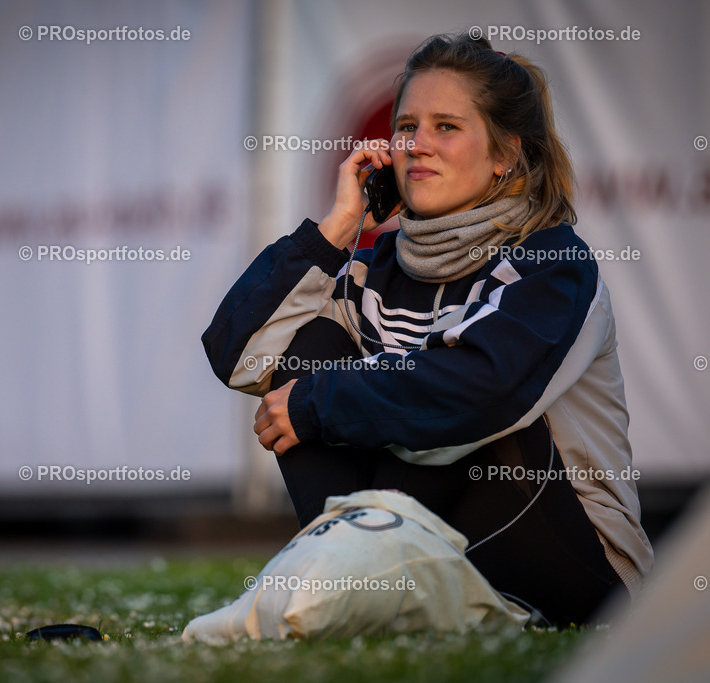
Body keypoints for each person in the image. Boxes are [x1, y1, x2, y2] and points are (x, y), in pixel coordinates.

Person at [202, 32, 653, 626]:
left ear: (506, 153)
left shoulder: (553, 263)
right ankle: (357, 584)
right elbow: (241, 355)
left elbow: (479, 391)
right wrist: (337, 228)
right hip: (440, 548)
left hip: (580, 573)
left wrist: (317, 402)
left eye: (446, 127)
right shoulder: (375, 265)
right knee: (310, 347)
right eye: (408, 127)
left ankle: (342, 577)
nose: (418, 146)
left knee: (451, 410)